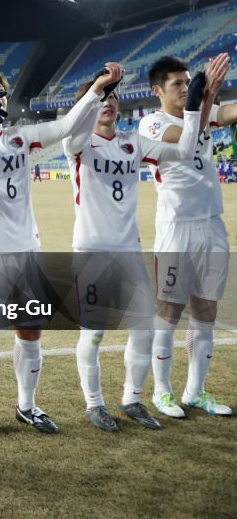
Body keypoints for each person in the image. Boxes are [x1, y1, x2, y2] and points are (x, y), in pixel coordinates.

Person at [0, 48, 121, 440]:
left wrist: (98, 92)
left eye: (2, 96)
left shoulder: (21, 139)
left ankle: (27, 406)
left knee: (31, 332)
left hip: (28, 252)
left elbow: (67, 126)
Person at [64, 62, 215, 431]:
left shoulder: (133, 143)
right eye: (101, 99)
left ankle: (132, 398)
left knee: (143, 329)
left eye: (113, 97)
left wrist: (194, 108)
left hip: (129, 249)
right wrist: (97, 87)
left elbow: (183, 150)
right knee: (94, 331)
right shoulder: (79, 145)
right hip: (92, 250)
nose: (108, 103)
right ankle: (94, 403)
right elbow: (69, 132)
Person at [139, 52, 236, 418]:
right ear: (157, 90)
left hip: (212, 225)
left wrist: (211, 97)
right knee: (168, 311)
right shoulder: (152, 124)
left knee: (206, 310)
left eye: (186, 82)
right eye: (177, 84)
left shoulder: (202, 110)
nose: (184, 89)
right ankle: (162, 392)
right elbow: (187, 136)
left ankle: (195, 392)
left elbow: (228, 114)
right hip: (175, 230)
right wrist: (207, 94)